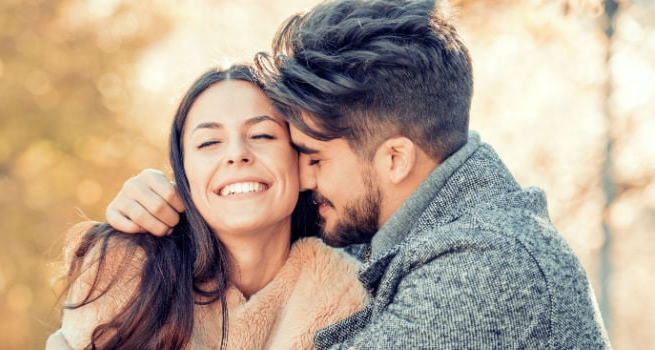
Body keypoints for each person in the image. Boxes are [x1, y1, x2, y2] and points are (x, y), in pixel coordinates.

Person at [105, 0, 612, 348]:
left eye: (316, 158)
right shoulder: (411, 229)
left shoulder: (487, 266)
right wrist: (177, 211)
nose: (304, 179)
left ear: (394, 159)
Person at [46, 64, 368, 350]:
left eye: (262, 134)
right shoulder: (125, 266)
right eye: (209, 142)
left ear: (302, 165)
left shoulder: (347, 291)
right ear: (184, 176)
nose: (236, 154)